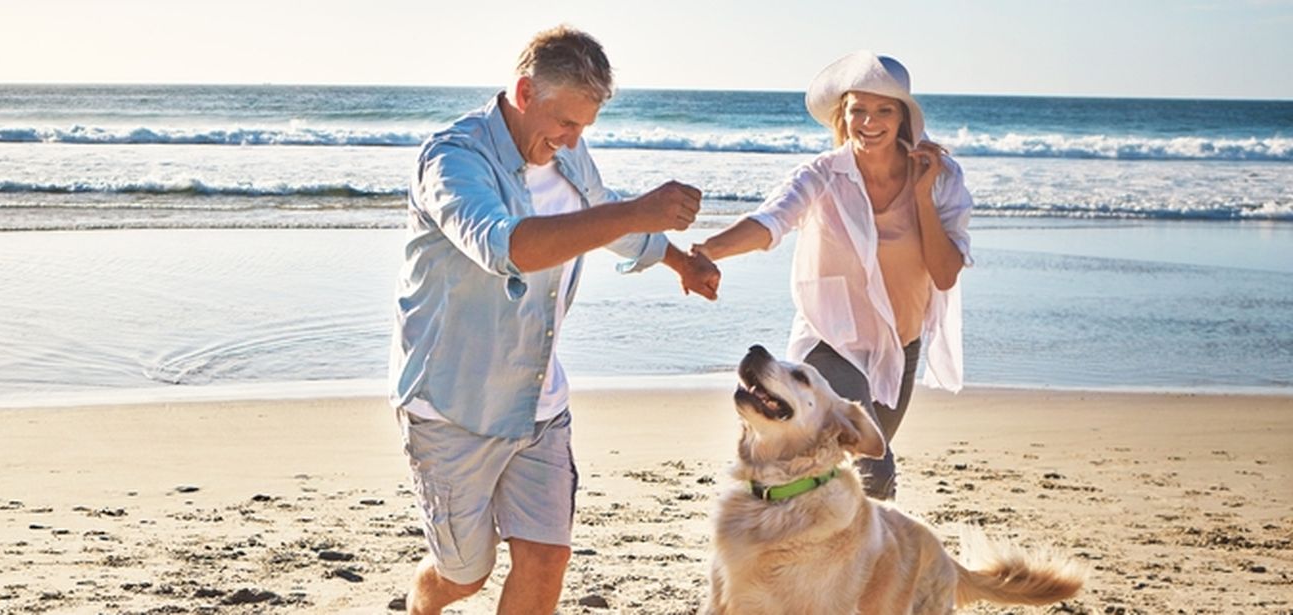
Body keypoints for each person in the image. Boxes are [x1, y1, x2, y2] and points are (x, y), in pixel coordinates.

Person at [389, 25, 718, 614]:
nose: (572, 140)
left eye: (584, 127)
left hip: (539, 398)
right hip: (453, 403)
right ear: (523, 92)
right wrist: (635, 211)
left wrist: (674, 260)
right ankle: (424, 602)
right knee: (464, 574)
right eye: (565, 122)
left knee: (546, 559)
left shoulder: (567, 152)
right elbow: (506, 246)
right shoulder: (452, 159)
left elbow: (600, 218)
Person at [688, 50, 973, 500]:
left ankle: (835, 558)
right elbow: (770, 222)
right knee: (873, 469)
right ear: (843, 114)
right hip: (831, 341)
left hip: (901, 346)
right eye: (858, 109)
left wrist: (921, 196)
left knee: (852, 476)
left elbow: (944, 274)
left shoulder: (941, 180)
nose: (869, 122)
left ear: (903, 117)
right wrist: (707, 251)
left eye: (884, 110)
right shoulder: (822, 175)